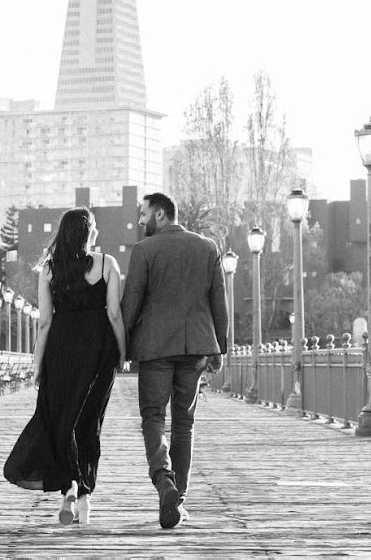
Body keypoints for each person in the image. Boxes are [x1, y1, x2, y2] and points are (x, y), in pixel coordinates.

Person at [4, 207, 128, 525]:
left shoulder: (49, 269)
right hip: (99, 351)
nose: (96, 232)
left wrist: (37, 365)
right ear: (88, 232)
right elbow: (115, 314)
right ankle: (84, 498)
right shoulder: (108, 263)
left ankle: (70, 485)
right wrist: (123, 353)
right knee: (89, 422)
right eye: (94, 227)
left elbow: (45, 323)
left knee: (63, 419)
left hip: (61, 350)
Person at [120, 191, 228, 529]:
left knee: (153, 416)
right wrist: (220, 348)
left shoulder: (144, 251)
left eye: (144, 214)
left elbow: (130, 305)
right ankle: (177, 499)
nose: (141, 221)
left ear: (160, 214)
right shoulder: (207, 247)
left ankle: (164, 481)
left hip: (155, 348)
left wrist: (121, 350)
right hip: (196, 347)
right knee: (184, 423)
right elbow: (219, 302)